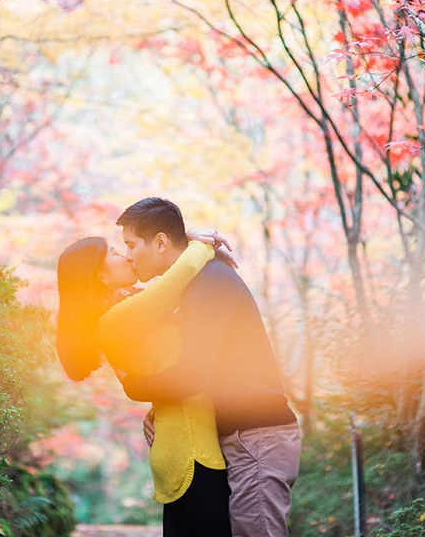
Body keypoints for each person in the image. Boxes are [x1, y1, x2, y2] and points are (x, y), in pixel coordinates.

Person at [117, 197, 301, 537]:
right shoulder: (195, 283)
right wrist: (163, 409)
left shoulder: (210, 281)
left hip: (257, 437)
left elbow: (191, 373)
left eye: (130, 245)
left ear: (159, 242)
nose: (127, 255)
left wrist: (134, 386)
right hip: (241, 437)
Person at [56, 230, 234, 537]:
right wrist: (195, 239)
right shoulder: (119, 317)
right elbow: (185, 270)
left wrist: (157, 403)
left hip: (177, 442)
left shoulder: (127, 308)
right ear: (99, 276)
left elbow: (152, 373)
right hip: (191, 448)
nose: (125, 256)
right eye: (113, 253)